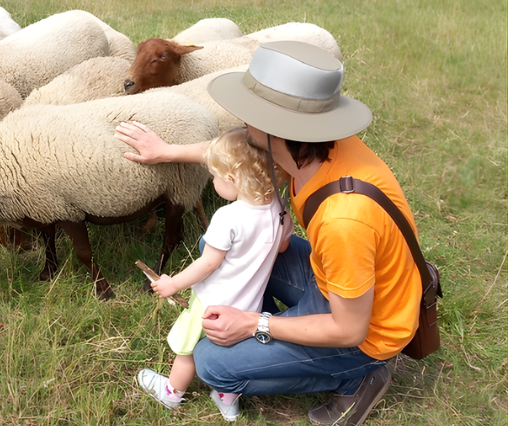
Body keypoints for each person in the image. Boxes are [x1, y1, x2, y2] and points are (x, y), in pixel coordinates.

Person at [115, 40, 422, 426]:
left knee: (213, 363)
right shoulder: (315, 147)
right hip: (340, 279)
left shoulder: (344, 218)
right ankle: (283, 330)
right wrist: (167, 151)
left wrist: (252, 324)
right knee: (215, 248)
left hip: (365, 330)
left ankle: (357, 375)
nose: (242, 121)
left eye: (250, 116)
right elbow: (237, 154)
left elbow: (349, 327)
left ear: (280, 129)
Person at [136, 128, 291, 421]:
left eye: (216, 176)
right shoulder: (280, 209)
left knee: (189, 348)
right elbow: (282, 247)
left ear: (233, 179)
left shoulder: (228, 217)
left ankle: (171, 393)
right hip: (247, 307)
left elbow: (207, 264)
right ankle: (226, 398)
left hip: (211, 301)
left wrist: (173, 283)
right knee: (230, 349)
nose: (214, 180)